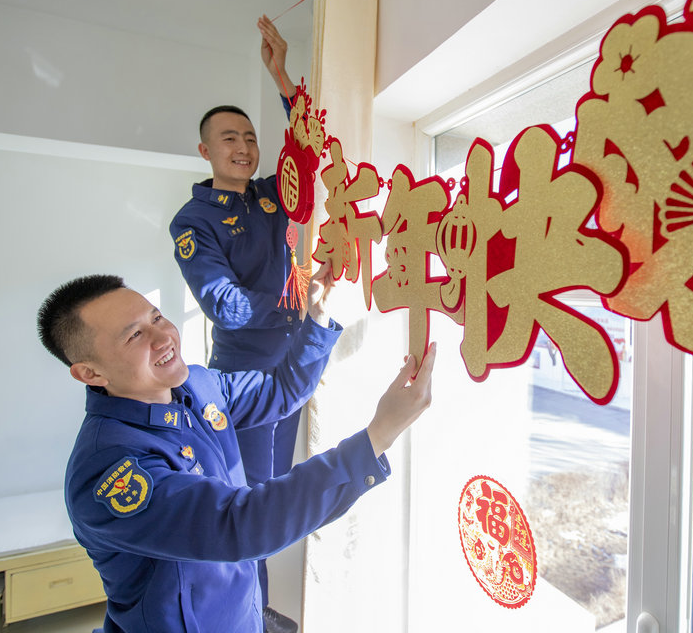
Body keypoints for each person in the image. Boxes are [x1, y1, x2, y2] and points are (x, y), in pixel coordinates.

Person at [36, 266, 436, 633]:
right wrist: (377, 437)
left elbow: (280, 391)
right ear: (90, 372)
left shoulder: (196, 385)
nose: (163, 338)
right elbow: (238, 525)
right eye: (134, 335)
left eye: (156, 318)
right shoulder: (108, 470)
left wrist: (315, 318)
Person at [168, 17, 301, 626]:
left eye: (249, 137)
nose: (243, 147)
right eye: (229, 138)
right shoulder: (193, 221)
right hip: (245, 378)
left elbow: (307, 149)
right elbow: (227, 306)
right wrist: (296, 298)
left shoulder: (272, 195)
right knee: (254, 503)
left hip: (291, 367)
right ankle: (252, 616)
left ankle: (258, 610)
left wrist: (282, 78)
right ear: (206, 151)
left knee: (279, 490)